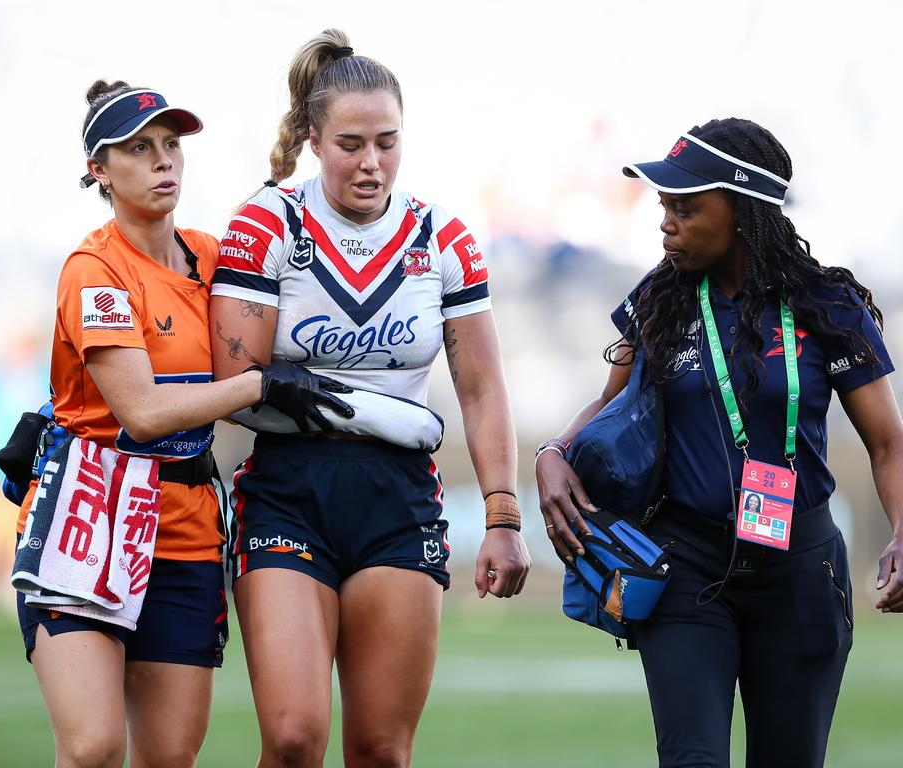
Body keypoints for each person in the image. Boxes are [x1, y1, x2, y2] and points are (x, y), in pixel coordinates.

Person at [535, 117, 903, 767]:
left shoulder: (827, 304)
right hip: (685, 567)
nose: (666, 223)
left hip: (801, 573)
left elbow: (887, 445)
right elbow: (611, 400)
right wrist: (554, 453)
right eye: (664, 207)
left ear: (743, 210)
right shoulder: (658, 298)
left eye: (686, 207)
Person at [209, 30, 532, 767]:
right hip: (289, 490)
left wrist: (503, 514)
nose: (371, 162)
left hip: (399, 498)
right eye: (351, 143)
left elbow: (481, 388)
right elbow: (233, 384)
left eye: (387, 142)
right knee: (292, 738)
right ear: (313, 140)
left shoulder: (443, 238)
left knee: (382, 751)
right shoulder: (263, 226)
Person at [14, 79, 349, 768]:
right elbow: (141, 413)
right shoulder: (94, 269)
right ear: (98, 171)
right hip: (90, 517)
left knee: (167, 758)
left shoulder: (210, 255)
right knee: (94, 747)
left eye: (171, 145)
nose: (164, 160)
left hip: (186, 528)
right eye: (139, 149)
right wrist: (258, 385)